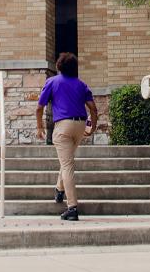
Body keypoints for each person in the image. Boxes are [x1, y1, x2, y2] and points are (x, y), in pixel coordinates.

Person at [36, 52, 97, 222]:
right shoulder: (81, 84)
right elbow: (93, 108)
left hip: (63, 126)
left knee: (67, 165)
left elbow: (39, 107)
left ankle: (72, 208)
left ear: (59, 66)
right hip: (79, 126)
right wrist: (93, 126)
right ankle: (59, 189)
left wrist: (39, 126)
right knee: (67, 161)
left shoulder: (52, 82)